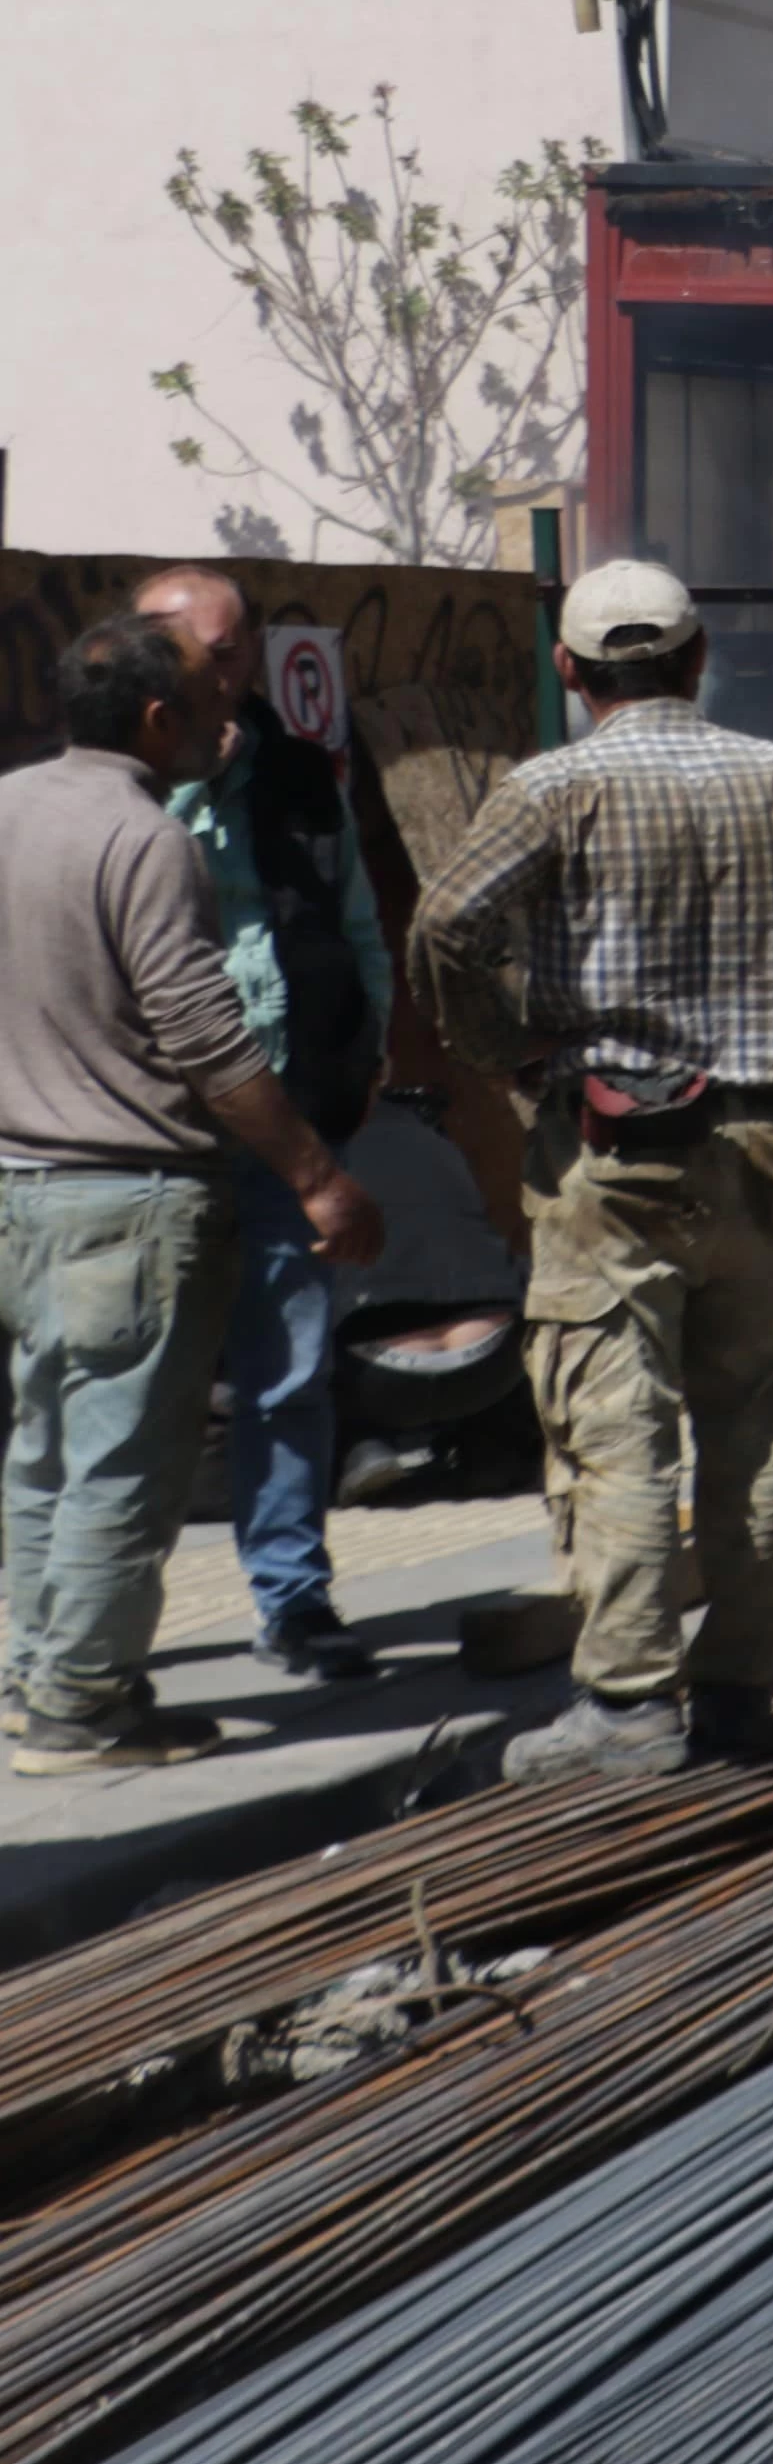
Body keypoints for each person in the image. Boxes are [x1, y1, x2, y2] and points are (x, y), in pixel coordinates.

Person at [411, 564, 773, 1780]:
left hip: (608, 1161)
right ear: (699, 656)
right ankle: (737, 1694)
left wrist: (503, 1047)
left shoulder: (549, 791)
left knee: (615, 1434)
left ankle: (625, 1707)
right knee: (759, 1427)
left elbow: (447, 926)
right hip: (766, 1148)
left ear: (570, 672)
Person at [7, 616, 384, 1774]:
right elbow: (206, 1037)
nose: (229, 714)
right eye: (202, 698)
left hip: (23, 1192)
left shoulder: (12, 805)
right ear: (154, 720)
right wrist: (318, 1178)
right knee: (126, 1463)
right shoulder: (144, 835)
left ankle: (44, 1676)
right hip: (131, 1198)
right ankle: (80, 1706)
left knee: (45, 1451)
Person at [128, 566, 399, 1685]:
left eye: (240, 650)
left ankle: (294, 1599)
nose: (231, 674)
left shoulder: (294, 773)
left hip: (289, 1129)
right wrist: (195, 787)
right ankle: (104, 1639)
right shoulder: (121, 792)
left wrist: (367, 1045)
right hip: (155, 1143)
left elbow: (353, 918)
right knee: (139, 1395)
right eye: (208, 654)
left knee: (291, 1377)